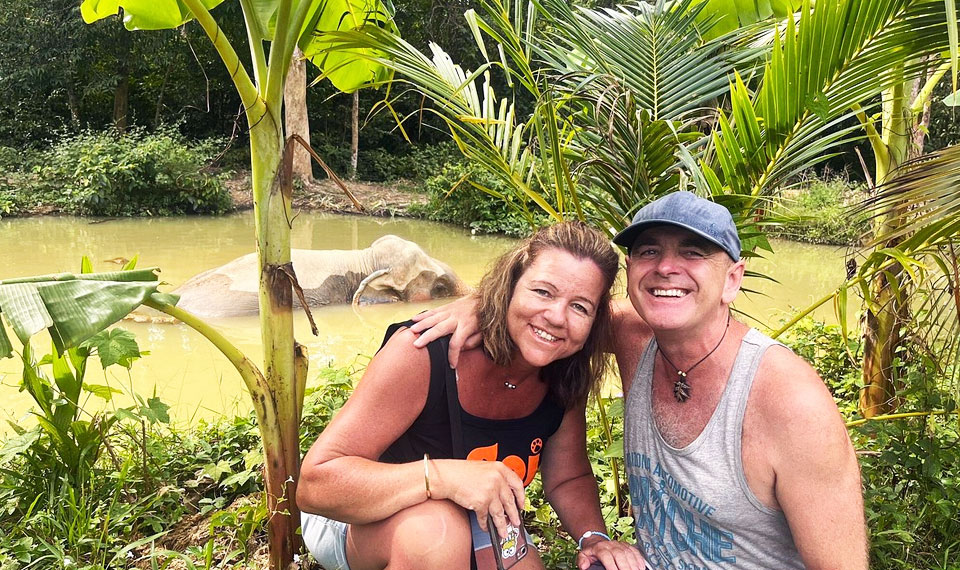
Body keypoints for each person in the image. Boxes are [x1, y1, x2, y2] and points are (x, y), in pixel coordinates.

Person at [411, 192, 869, 569]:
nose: (666, 267)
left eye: (693, 252)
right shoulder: (635, 337)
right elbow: (547, 313)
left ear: (732, 280)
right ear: (630, 274)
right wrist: (483, 304)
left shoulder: (790, 399)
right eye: (649, 251)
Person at [297, 221, 646, 570]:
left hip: (475, 521)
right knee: (436, 532)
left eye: (580, 307)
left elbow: (567, 477)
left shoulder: (563, 370)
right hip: (356, 516)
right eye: (542, 292)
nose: (556, 316)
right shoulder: (423, 352)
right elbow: (316, 486)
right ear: (509, 288)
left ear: (595, 321)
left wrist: (595, 538)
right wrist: (445, 477)